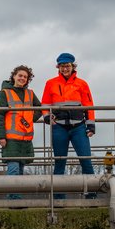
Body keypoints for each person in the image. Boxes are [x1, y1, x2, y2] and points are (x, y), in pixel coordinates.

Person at [41, 53, 96, 197]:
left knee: (86, 160)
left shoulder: (82, 84)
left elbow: (89, 105)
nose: (65, 69)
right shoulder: (50, 83)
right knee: (59, 163)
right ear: (58, 67)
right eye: (62, 66)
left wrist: (91, 126)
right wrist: (47, 117)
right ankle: (59, 199)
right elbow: (45, 104)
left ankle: (91, 196)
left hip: (79, 127)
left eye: (67, 66)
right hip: (59, 127)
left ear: (73, 66)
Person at [0, 65, 43, 199]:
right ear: (14, 76)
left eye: (25, 77)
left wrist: (31, 118)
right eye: (20, 75)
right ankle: (14, 199)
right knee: (14, 169)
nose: (22, 78)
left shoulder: (30, 94)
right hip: (10, 139)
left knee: (20, 170)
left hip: (25, 139)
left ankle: (15, 199)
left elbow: (40, 108)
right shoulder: (4, 93)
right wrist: (1, 136)